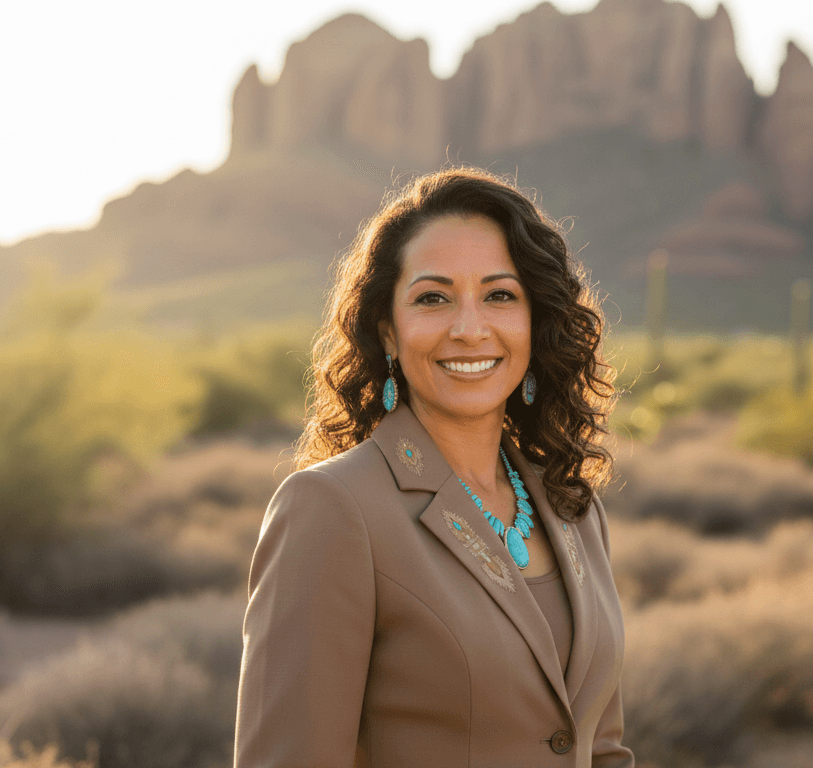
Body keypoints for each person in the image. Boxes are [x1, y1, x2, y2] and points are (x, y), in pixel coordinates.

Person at [234, 167, 634, 767]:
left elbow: (600, 747)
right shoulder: (332, 509)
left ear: (535, 321)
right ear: (388, 331)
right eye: (433, 298)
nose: (470, 329)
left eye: (500, 295)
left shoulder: (571, 505)